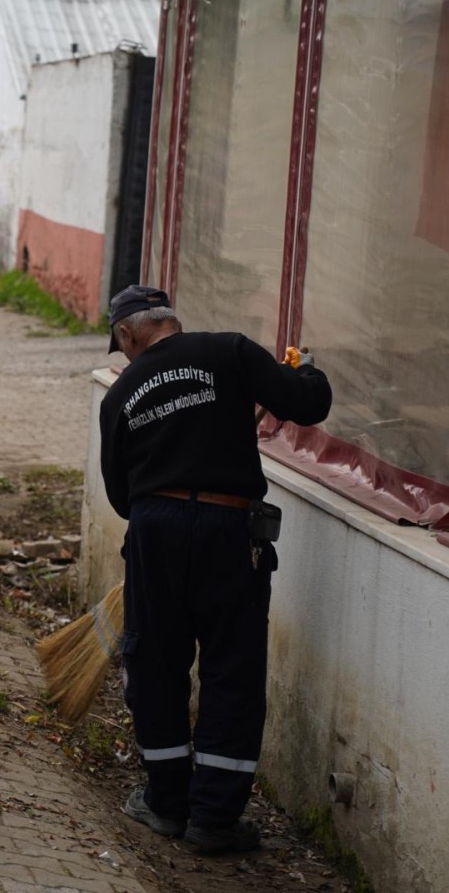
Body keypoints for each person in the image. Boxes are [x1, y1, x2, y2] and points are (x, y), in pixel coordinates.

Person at [99, 285, 332, 853]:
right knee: (233, 668)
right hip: (232, 532)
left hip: (155, 528)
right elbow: (308, 405)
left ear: (128, 334)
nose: (123, 354)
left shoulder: (121, 394)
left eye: (120, 345)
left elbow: (118, 493)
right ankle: (213, 819)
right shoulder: (228, 352)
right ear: (170, 321)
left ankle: (166, 802)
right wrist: (308, 373)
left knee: (155, 663)